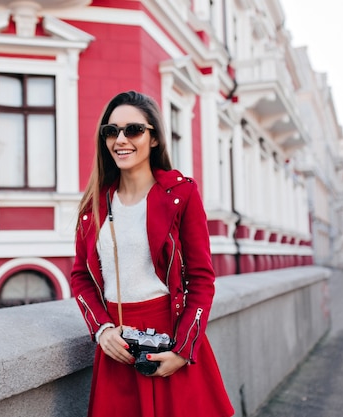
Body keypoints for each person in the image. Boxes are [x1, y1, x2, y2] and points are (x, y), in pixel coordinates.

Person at [70, 90, 234, 417]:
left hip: (169, 343)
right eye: (111, 131)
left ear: (154, 138)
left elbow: (201, 279)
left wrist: (183, 351)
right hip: (117, 348)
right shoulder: (94, 204)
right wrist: (102, 330)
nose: (121, 139)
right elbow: (80, 277)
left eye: (133, 130)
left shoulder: (180, 194)